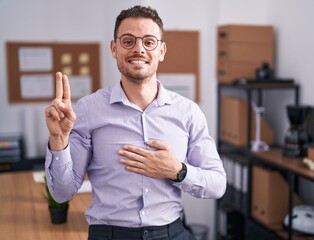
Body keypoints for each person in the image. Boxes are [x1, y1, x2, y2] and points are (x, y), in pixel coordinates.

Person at [45, 5, 226, 240]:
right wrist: (59, 139)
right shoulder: (87, 110)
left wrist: (177, 171)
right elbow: (61, 193)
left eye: (149, 42)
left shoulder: (188, 112)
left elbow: (217, 184)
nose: (139, 49)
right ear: (114, 48)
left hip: (173, 232)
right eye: (128, 41)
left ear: (161, 50)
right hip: (110, 234)